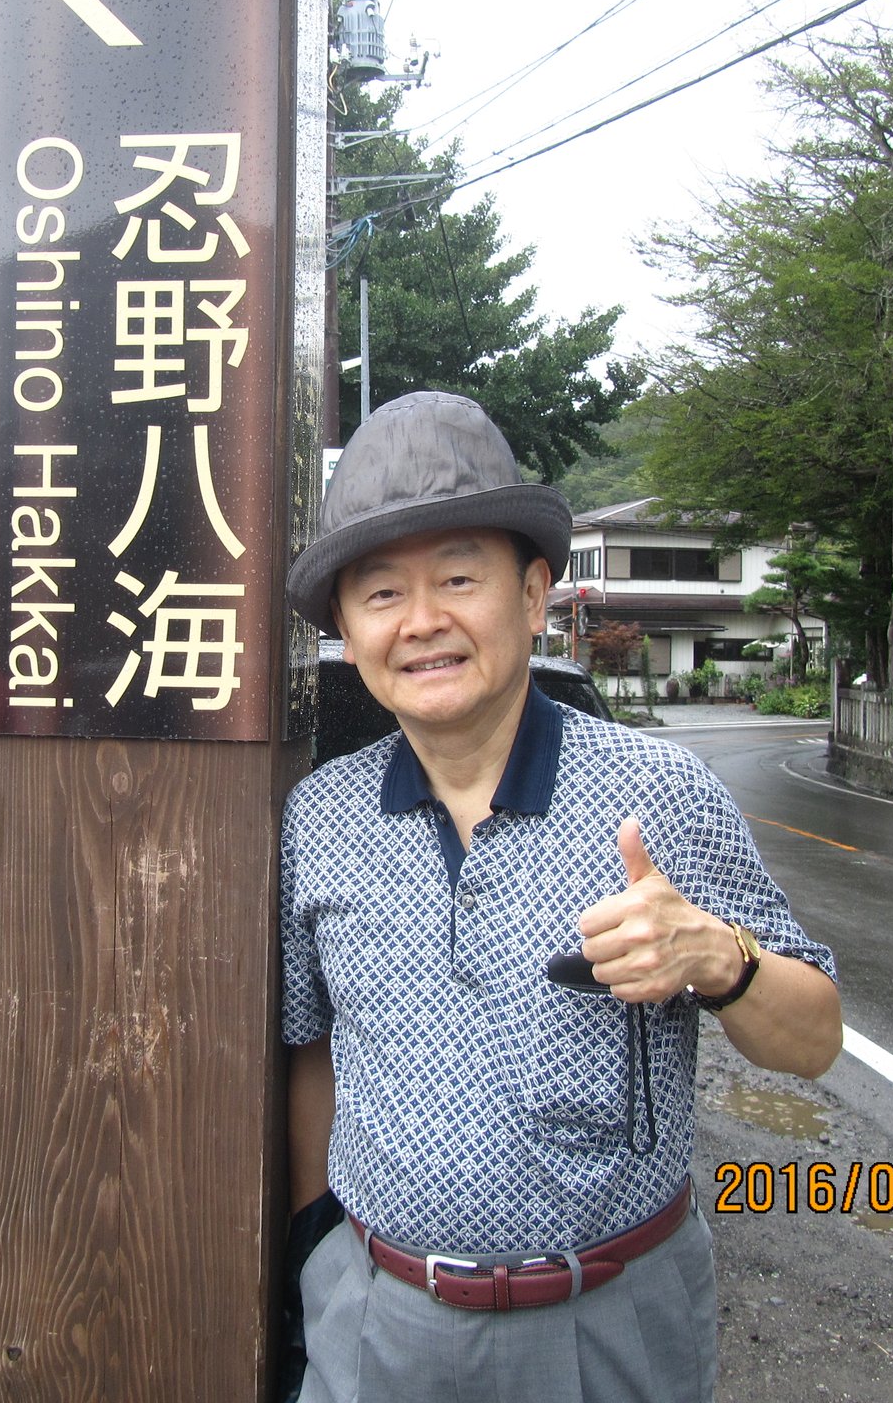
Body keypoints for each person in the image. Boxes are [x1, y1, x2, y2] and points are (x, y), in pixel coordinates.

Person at [280, 391, 841, 1403]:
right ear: (348, 632)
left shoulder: (659, 795)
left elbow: (812, 1040)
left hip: (611, 1323)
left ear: (534, 596)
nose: (422, 623)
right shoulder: (317, 819)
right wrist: (319, 1238)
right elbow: (308, 1043)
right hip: (378, 1324)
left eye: (457, 577)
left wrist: (718, 961)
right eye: (380, 594)